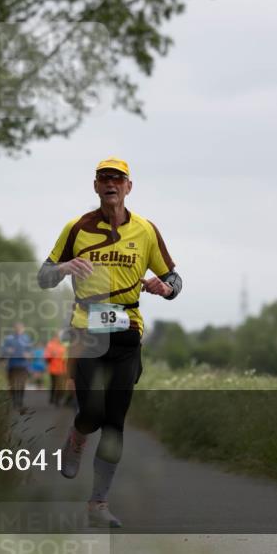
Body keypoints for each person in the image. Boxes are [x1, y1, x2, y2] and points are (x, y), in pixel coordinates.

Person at [37, 157, 181, 528]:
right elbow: (43, 277)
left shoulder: (146, 230)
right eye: (104, 179)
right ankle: (77, 435)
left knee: (115, 422)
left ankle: (98, 503)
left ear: (129, 187)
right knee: (93, 413)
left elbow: (174, 279)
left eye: (117, 179)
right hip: (87, 331)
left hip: (127, 331)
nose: (111, 185)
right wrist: (64, 268)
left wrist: (165, 289)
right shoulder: (76, 228)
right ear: (95, 186)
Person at [0, 322, 32, 409]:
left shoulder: (27, 339)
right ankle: (14, 401)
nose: (18, 330)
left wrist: (28, 355)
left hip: (23, 365)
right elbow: (3, 351)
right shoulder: (9, 339)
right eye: (17, 328)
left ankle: (20, 401)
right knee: (12, 384)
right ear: (14, 329)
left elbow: (30, 352)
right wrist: (7, 352)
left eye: (20, 328)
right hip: (12, 365)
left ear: (23, 329)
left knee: (22, 384)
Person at [44, 333, 68, 405]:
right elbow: (46, 357)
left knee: (60, 385)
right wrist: (51, 355)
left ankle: (57, 399)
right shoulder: (50, 345)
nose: (58, 338)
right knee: (54, 384)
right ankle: (53, 398)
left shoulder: (63, 346)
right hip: (53, 369)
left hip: (62, 369)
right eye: (57, 337)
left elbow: (66, 356)